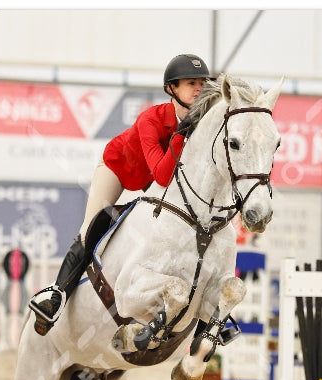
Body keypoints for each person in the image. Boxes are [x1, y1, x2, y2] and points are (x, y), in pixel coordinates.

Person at [29, 53, 211, 335]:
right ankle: (57, 296)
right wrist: (183, 133)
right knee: (89, 228)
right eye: (191, 83)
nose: (199, 88)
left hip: (153, 180)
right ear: (171, 89)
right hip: (118, 167)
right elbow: (163, 174)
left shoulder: (202, 122)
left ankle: (206, 313)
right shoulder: (151, 118)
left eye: (202, 83)